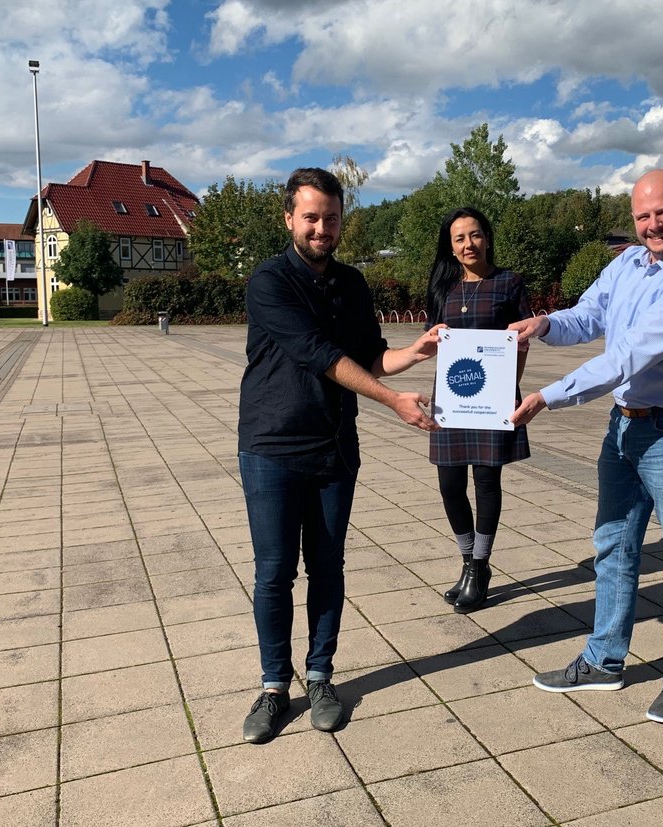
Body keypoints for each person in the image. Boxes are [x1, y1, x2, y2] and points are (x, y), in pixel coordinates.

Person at [509, 169, 663, 724]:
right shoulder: (628, 262)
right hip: (626, 425)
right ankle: (605, 660)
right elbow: (589, 316)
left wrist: (547, 398)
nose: (653, 225)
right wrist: (542, 325)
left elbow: (627, 357)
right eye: (642, 216)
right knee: (613, 545)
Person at [238, 167, 441, 744]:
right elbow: (319, 354)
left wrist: (417, 352)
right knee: (275, 572)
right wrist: (393, 403)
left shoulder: (352, 283)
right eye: (311, 218)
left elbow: (369, 358)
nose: (322, 228)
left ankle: (321, 676)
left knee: (328, 567)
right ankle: (275, 687)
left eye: (330, 218)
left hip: (333, 447)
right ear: (290, 220)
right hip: (272, 447)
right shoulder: (268, 281)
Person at [425, 207, 532, 613]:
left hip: (492, 401)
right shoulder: (442, 286)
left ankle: (480, 565)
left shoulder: (508, 283)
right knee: (450, 485)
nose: (468, 244)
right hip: (452, 398)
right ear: (450, 247)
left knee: (486, 484)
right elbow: (431, 340)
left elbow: (521, 341)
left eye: (475, 235)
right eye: (459, 238)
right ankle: (469, 561)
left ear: (487, 237)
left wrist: (509, 391)